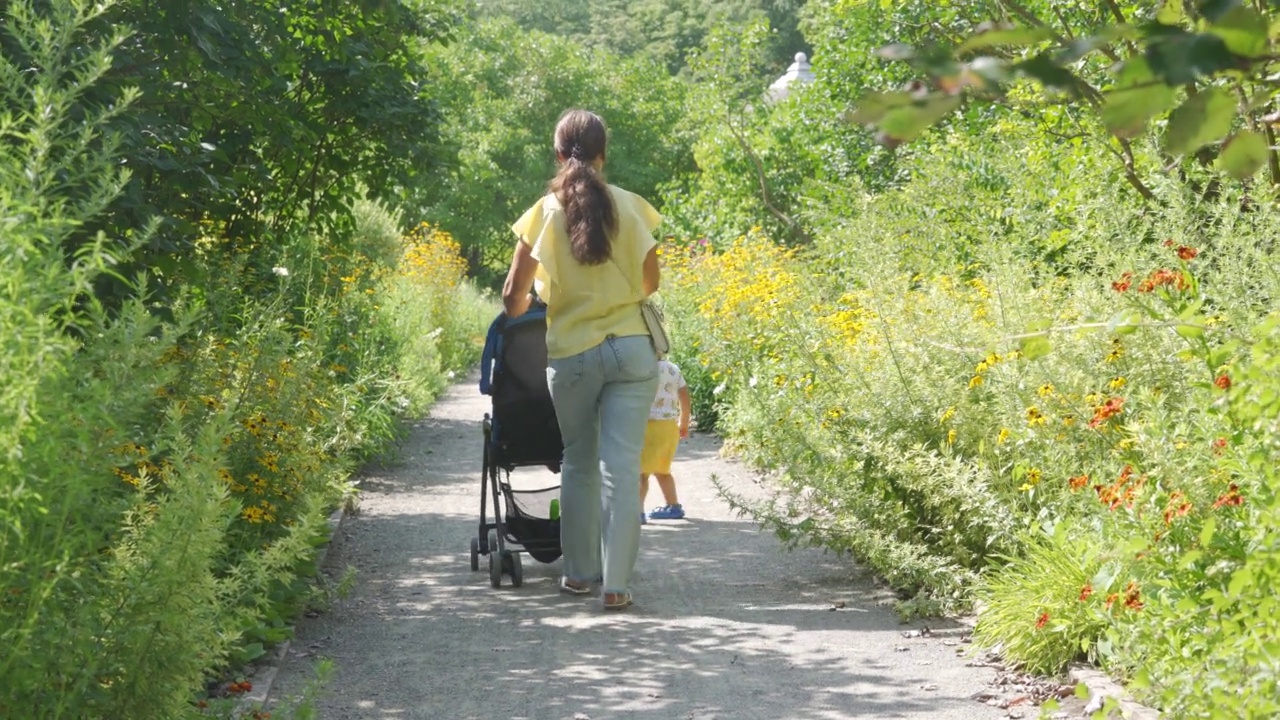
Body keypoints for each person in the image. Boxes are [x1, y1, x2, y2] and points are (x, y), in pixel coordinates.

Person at [501, 109, 661, 611]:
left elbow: (513, 299)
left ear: (557, 154)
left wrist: (546, 295)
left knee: (578, 461)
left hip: (571, 352)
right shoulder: (633, 208)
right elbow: (650, 284)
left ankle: (577, 575)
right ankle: (616, 585)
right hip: (632, 349)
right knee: (622, 464)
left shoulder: (544, 212)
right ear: (603, 154)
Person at [640, 359, 690, 522]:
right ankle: (673, 506)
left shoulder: (639, 368)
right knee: (662, 470)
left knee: (640, 473)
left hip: (647, 426)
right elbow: (684, 395)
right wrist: (684, 422)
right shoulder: (673, 369)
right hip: (669, 427)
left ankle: (636, 512)